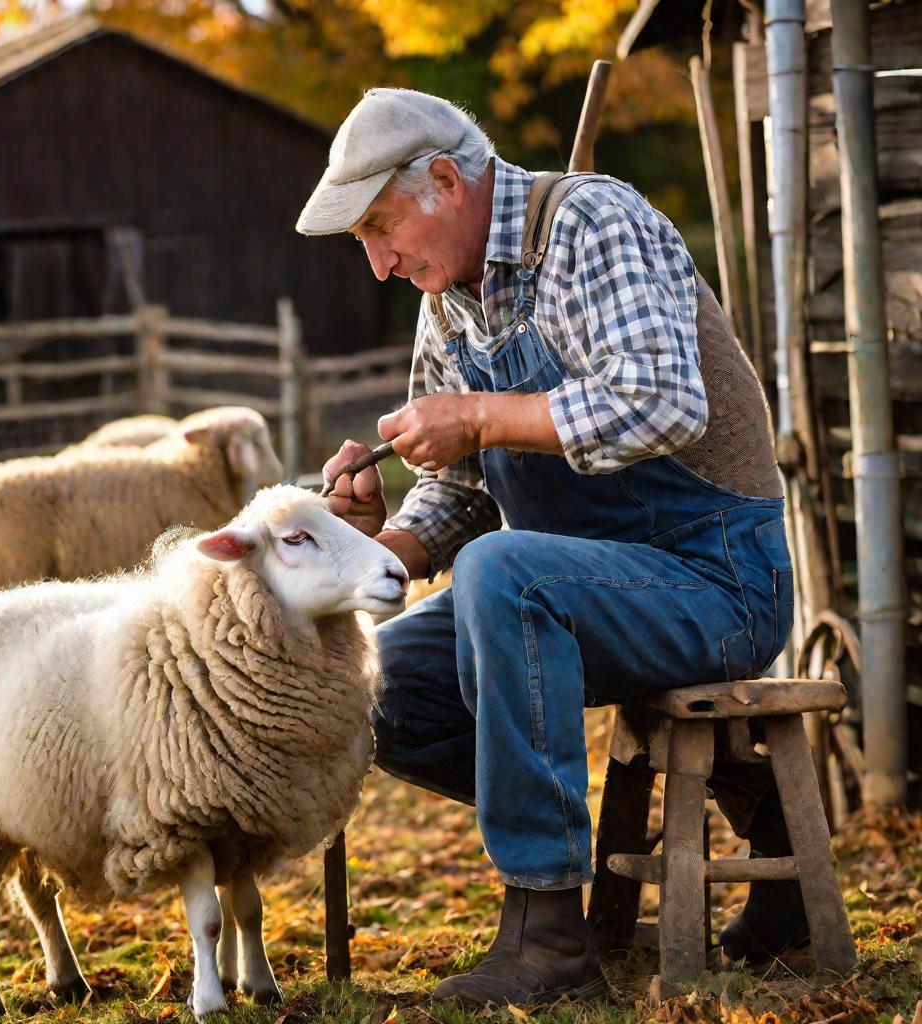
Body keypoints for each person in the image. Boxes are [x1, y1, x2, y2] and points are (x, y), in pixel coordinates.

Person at [297, 87, 805, 1007]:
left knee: (506, 570)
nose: (378, 265)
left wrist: (483, 414)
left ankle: (548, 933)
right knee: (372, 690)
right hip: (559, 587)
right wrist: (376, 542)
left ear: (444, 180)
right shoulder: (447, 297)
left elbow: (664, 402)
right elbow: (457, 489)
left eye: (380, 227)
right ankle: (682, 836)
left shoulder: (591, 221)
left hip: (714, 575)